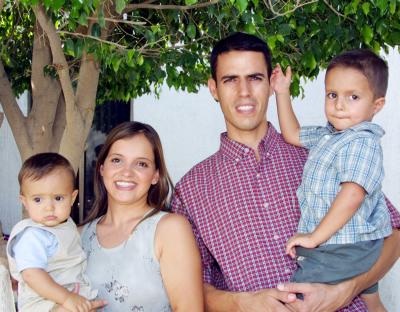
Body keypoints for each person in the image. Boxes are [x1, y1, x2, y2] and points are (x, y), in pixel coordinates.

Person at [171, 32, 400, 311]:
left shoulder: (322, 151)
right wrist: (243, 303)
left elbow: (392, 231)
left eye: (255, 78)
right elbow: (189, 288)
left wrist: (345, 290)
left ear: (271, 84)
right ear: (213, 88)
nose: (244, 92)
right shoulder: (191, 189)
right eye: (230, 79)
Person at [271, 49, 392, 311]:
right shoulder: (331, 135)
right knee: (371, 301)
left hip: (341, 248)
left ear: (376, 104)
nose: (339, 104)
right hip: (354, 246)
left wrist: (314, 238)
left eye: (354, 97)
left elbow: (352, 195)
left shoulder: (361, 141)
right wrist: (282, 93)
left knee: (296, 299)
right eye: (332, 95)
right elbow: (292, 133)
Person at [80, 121, 203, 311]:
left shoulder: (170, 229)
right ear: (102, 168)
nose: (127, 172)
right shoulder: (78, 236)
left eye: (141, 164)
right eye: (117, 160)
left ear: (155, 175)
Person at [6, 153, 104, 312]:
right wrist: (66, 298)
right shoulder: (32, 236)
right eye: (38, 200)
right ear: (25, 202)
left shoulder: (66, 225)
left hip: (68, 294)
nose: (49, 207)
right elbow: (32, 275)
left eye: (58, 198)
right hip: (42, 302)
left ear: (72, 198)